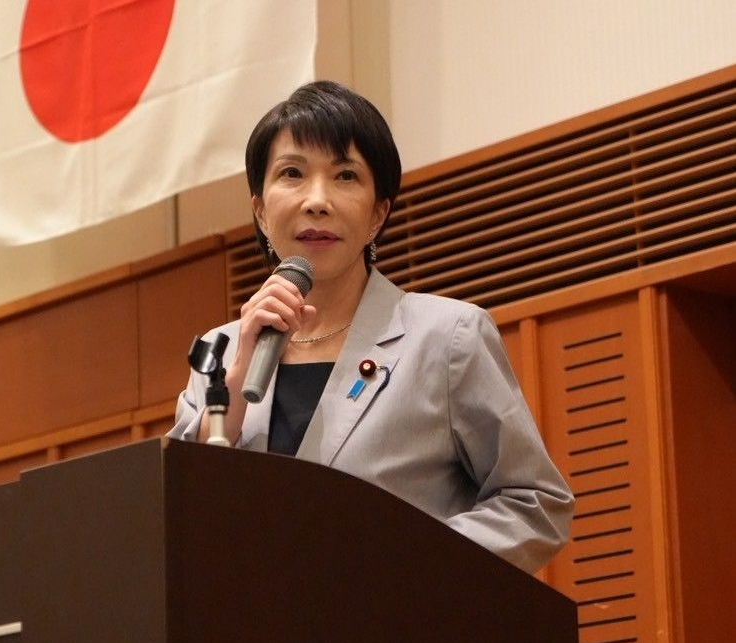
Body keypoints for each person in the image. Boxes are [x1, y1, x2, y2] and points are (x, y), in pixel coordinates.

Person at [167, 80, 574, 575]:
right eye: (292, 173)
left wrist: (401, 563)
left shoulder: (448, 337)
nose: (317, 200)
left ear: (379, 214)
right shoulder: (220, 350)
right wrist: (234, 384)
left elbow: (535, 503)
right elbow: (176, 517)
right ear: (260, 211)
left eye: (345, 176)